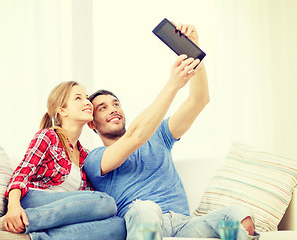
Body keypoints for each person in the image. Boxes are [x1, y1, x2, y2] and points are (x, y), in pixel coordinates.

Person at [84, 23, 259, 240]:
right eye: (103, 108)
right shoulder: (95, 159)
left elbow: (199, 100)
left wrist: (195, 53)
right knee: (144, 209)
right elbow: (135, 136)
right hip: (146, 225)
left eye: (116, 104)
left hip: (186, 227)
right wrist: (173, 84)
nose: (113, 110)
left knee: (239, 217)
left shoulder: (159, 136)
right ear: (92, 124)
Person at [0, 81, 126, 240]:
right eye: (78, 98)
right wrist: (13, 207)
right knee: (105, 202)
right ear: (62, 110)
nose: (87, 102)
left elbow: (84, 203)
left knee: (118, 225)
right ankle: (18, 221)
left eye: (87, 98)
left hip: (59, 210)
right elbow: (21, 174)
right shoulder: (48, 136)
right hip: (34, 199)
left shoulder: (85, 156)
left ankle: (28, 238)